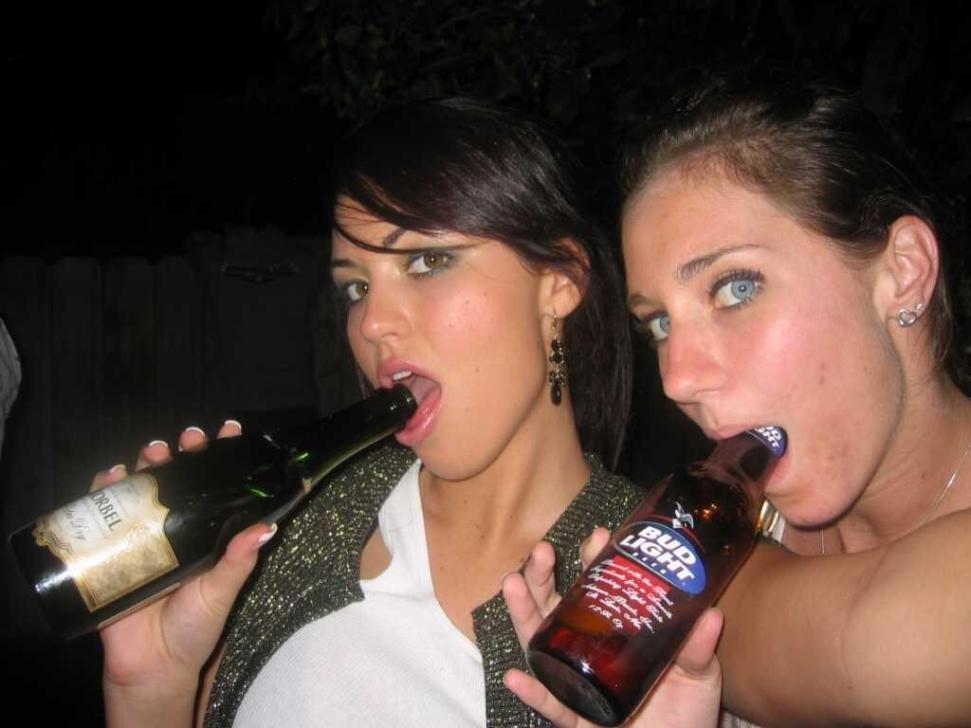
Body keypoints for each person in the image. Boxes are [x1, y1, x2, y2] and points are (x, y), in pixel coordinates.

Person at [94, 98, 725, 728]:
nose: (370, 323)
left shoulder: (657, 571)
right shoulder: (307, 515)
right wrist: (150, 682)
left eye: (427, 261)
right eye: (356, 287)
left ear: (558, 285)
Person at [504, 70, 971, 726]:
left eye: (735, 288)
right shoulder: (720, 532)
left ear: (903, 271)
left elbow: (890, 645)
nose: (677, 379)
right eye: (658, 324)